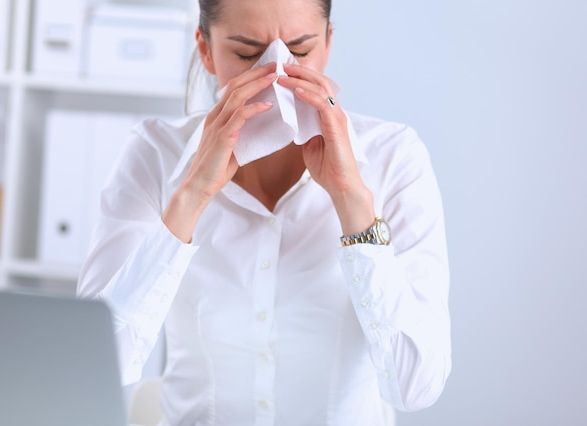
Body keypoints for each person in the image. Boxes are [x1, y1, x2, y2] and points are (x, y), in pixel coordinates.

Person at [77, 0, 452, 424]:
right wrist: (192, 194)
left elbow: (415, 387)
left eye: (300, 50)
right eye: (248, 55)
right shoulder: (154, 154)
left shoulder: (393, 158)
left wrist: (353, 203)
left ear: (328, 44)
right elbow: (92, 365)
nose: (276, 75)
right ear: (206, 50)